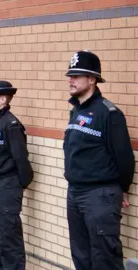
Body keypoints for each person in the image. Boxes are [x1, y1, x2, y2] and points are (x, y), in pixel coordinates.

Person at [63, 50, 135, 270]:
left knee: (105, 259)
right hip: (75, 193)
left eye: (77, 75)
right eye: (70, 75)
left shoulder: (109, 113)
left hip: (100, 196)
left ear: (92, 79)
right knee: (81, 256)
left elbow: (124, 158)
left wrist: (121, 189)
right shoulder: (75, 111)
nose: (70, 80)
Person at [0, 80, 33, 270]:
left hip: (7, 184)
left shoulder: (11, 124)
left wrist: (17, 185)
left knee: (9, 235)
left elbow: (21, 158)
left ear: (3, 99)